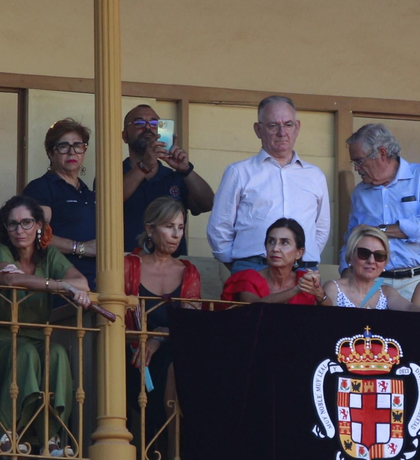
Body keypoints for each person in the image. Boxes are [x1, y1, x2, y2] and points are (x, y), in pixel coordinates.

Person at [0, 195, 92, 454]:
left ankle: (50, 438)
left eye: (27, 223)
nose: (20, 230)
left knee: (58, 354)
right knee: (27, 354)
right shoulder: (0, 250)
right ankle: (5, 430)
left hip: (37, 335)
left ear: (39, 225)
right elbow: (10, 280)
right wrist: (57, 285)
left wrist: (59, 283)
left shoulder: (50, 254)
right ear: (5, 228)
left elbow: (82, 283)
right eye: (12, 224)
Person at [208, 96, 330, 273]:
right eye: (273, 126)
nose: (282, 132)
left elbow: (321, 229)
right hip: (253, 267)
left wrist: (302, 257)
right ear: (258, 130)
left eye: (288, 125)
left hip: (302, 270)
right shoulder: (239, 172)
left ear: (297, 128)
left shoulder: (315, 175)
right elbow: (219, 226)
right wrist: (239, 265)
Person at [123, 198, 202, 453]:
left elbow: (190, 326)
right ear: (149, 229)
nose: (176, 234)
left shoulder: (188, 272)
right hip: (131, 355)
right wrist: (147, 340)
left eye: (181, 227)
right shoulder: (129, 266)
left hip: (174, 354)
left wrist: (160, 337)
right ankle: (168, 454)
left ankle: (172, 453)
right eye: (169, 226)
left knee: (176, 363)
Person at [345, 122, 420, 282]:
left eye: (359, 161)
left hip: (417, 279)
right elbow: (351, 238)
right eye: (354, 163)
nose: (356, 168)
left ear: (382, 154)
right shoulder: (360, 192)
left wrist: (378, 230)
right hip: (374, 281)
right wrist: (345, 271)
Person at [121, 104, 213, 256]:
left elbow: (207, 204)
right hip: (125, 264)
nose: (148, 127)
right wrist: (144, 166)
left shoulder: (174, 176)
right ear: (124, 136)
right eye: (139, 123)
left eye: (155, 123)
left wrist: (186, 170)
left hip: (172, 267)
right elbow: (108, 200)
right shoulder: (111, 175)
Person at [23, 119, 99, 284]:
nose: (72, 152)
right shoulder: (41, 188)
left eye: (78, 145)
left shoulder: (88, 193)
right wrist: (81, 248)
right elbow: (34, 234)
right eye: (63, 146)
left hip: (96, 282)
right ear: (51, 153)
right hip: (60, 283)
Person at [323, 226, 420, 312]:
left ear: (385, 262)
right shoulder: (333, 288)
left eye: (379, 255)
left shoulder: (387, 292)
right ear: (350, 257)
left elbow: (409, 308)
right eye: (364, 253)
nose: (371, 261)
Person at [222, 218, 323, 305]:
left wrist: (320, 294)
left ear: (299, 253)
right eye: (271, 241)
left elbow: (328, 314)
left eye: (284, 242)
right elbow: (254, 307)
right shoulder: (248, 278)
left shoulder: (303, 279)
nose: (275, 248)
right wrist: (296, 289)